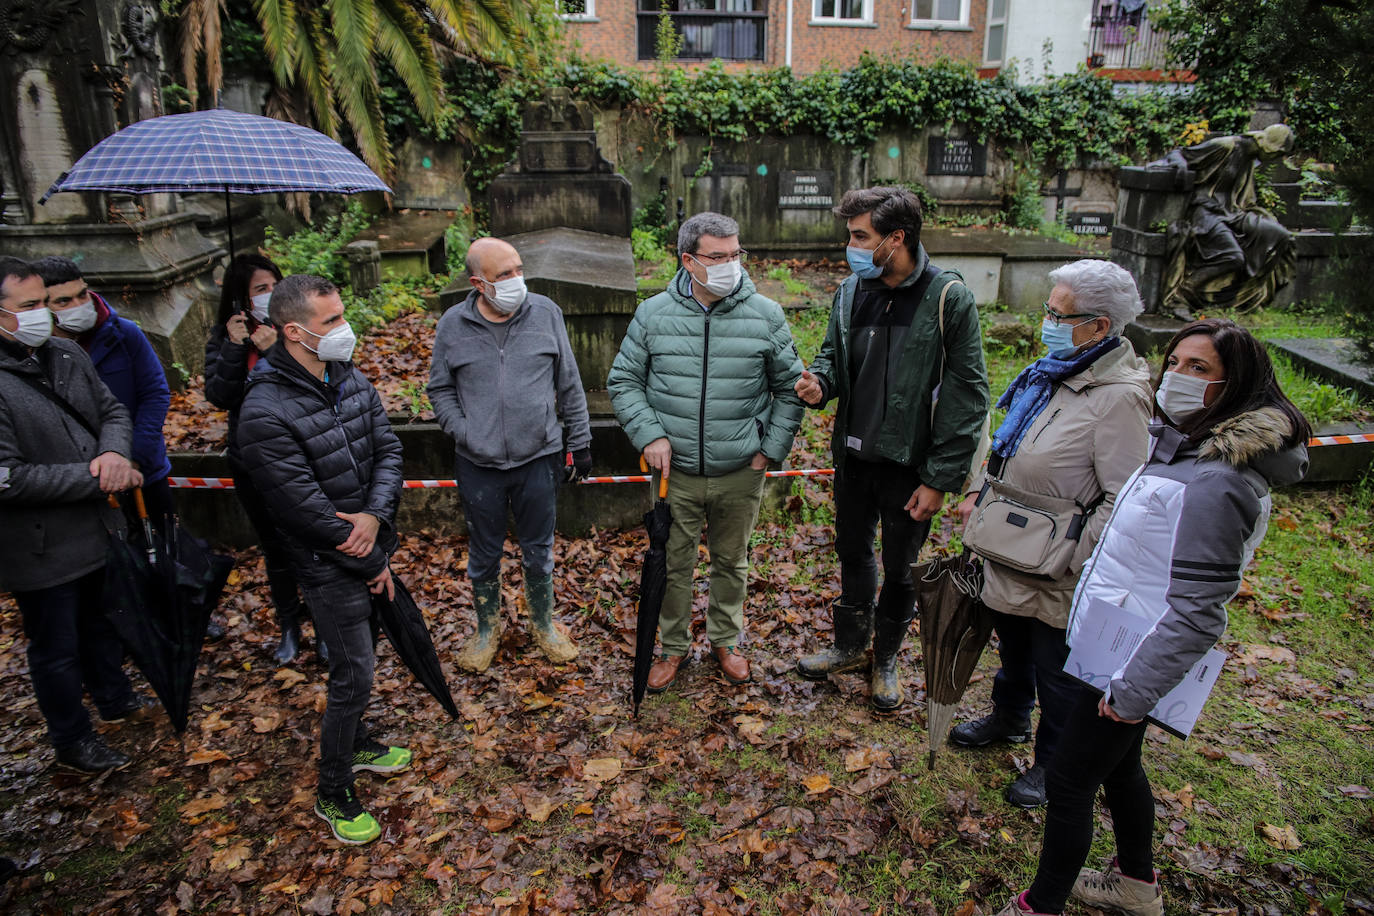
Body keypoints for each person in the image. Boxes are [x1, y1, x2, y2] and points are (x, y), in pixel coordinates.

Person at [998, 319, 1311, 916]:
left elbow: (1199, 613)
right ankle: (1137, 886)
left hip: (1131, 661)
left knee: (1068, 782)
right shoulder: (1182, 447)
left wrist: (1134, 691)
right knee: (1121, 769)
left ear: (1234, 385)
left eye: (1200, 368)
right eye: (1175, 362)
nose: (1177, 376)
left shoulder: (1217, 480)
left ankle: (1040, 906)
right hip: (1109, 644)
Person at [948, 260, 1152, 808]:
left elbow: (1124, 496)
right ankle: (1010, 717)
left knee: (1056, 671)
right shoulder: (1054, 372)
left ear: (1099, 326)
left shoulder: (1120, 396)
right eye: (1048, 310)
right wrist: (981, 492)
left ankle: (1054, 761)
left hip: (1057, 563)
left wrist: (1074, 559)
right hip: (1013, 544)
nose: (1047, 322)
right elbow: (1011, 447)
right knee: (1013, 646)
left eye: (1059, 315)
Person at [794, 186, 989, 712]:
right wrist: (820, 384)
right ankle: (850, 647)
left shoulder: (948, 298)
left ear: (895, 238)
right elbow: (834, 356)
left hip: (910, 467)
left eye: (861, 236)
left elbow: (967, 396)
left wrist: (939, 478)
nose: (851, 247)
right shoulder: (850, 292)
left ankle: (885, 659)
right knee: (852, 552)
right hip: (854, 459)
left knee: (901, 567)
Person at [237, 274, 412, 845]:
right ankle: (333, 790)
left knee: (367, 656)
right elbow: (300, 508)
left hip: (368, 544)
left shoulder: (347, 375)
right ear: (294, 331)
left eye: (342, 315)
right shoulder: (263, 411)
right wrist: (368, 556)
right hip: (325, 563)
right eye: (331, 320)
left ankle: (357, 744)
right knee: (353, 673)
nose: (345, 329)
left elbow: (388, 449)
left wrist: (375, 518)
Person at [607, 211, 804, 692]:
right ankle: (672, 648)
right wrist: (650, 435)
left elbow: (790, 388)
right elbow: (624, 380)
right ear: (688, 260)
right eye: (718, 256)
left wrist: (769, 450)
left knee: (732, 562)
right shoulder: (653, 315)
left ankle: (725, 641)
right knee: (674, 563)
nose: (731, 264)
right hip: (675, 474)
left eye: (736, 254)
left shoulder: (766, 315)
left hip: (740, 469)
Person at [0, 256, 146, 774]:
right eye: (30, 305)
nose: (44, 313)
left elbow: (112, 411)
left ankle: (114, 696)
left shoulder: (65, 353)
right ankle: (72, 739)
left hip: (98, 531)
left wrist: (115, 452)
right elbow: (8, 477)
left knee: (102, 624)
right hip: (41, 548)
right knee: (56, 647)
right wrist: (97, 476)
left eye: (45, 302)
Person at [427, 236, 593, 671]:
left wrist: (580, 441)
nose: (517, 280)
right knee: (484, 551)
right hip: (478, 464)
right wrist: (464, 432)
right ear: (478, 283)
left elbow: (569, 382)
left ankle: (544, 625)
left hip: (539, 457)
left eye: (519, 269)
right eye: (504, 274)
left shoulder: (546, 313)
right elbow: (440, 389)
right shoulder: (453, 325)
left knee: (539, 548)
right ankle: (487, 630)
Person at [205, 254, 316, 662]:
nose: (270, 294)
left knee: (311, 544)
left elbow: (314, 387)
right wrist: (235, 348)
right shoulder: (225, 336)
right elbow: (220, 395)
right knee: (275, 548)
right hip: (253, 461)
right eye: (260, 289)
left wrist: (275, 352)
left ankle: (324, 623)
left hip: (303, 455)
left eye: (274, 286)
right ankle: (289, 625)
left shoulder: (297, 329)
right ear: (241, 298)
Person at [33, 257, 175, 525]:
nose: (78, 305)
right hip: (80, 484)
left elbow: (154, 393)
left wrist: (133, 458)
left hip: (143, 472)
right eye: (63, 301)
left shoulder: (125, 334)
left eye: (82, 294)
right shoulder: (34, 352)